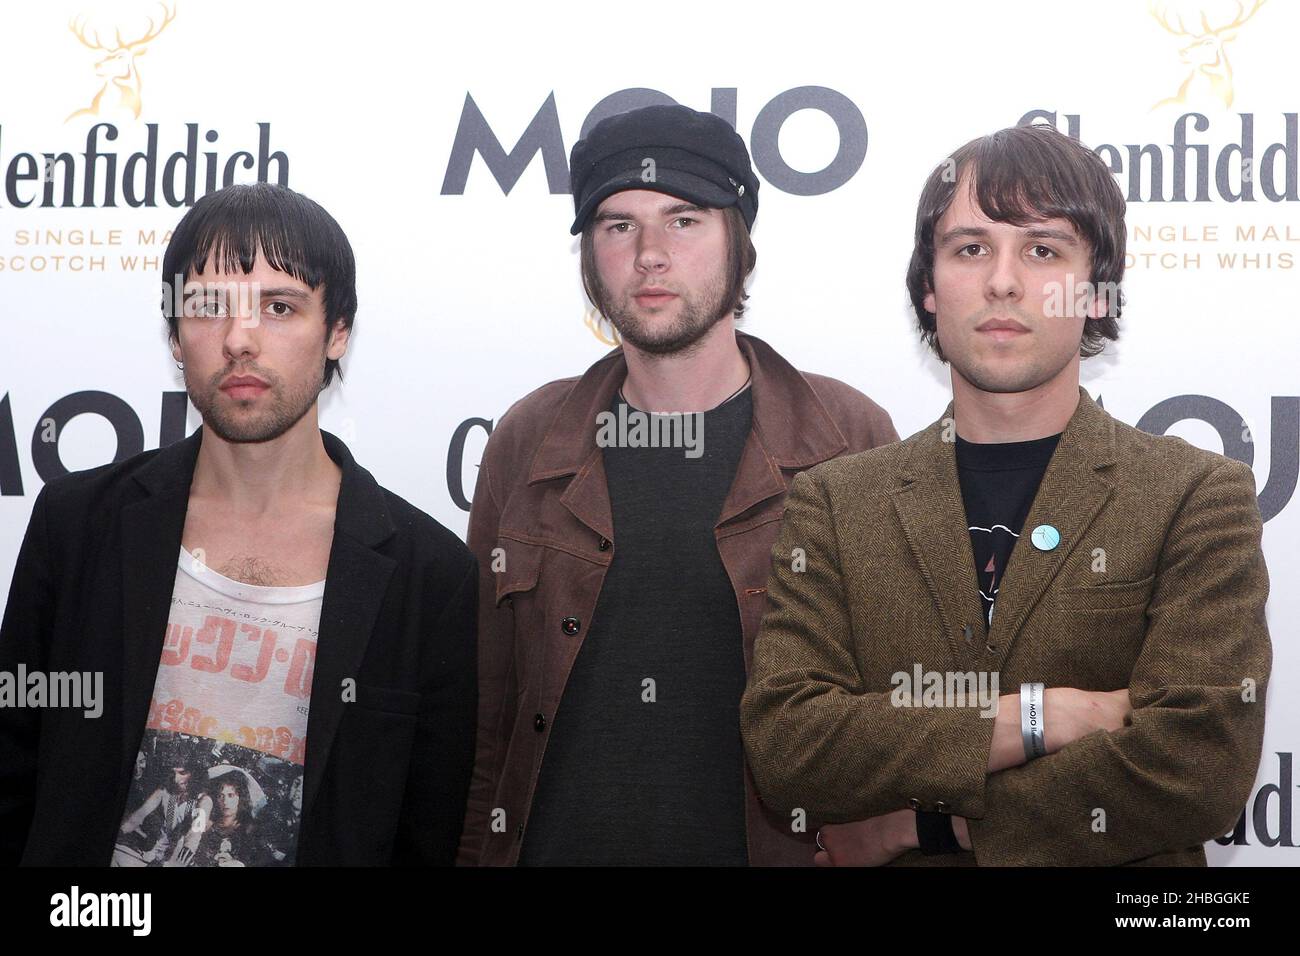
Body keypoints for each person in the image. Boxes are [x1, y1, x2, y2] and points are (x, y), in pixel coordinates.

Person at [740, 124, 1271, 866]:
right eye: (971, 248)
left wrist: (923, 825)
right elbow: (790, 747)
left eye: (1043, 250)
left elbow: (1198, 768)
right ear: (929, 288)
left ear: (1097, 291)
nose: (1003, 281)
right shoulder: (835, 502)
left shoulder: (1193, 495)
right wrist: (1038, 717)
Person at [457, 104, 898, 866]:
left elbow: (893, 716)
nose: (650, 255)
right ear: (590, 256)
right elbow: (482, 716)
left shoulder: (847, 439)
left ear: (740, 244)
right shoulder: (529, 440)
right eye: (618, 225)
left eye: (685, 220)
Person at [0, 182, 477, 865]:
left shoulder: (429, 576)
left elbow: (425, 833)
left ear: (337, 330)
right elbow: (12, 776)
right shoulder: (77, 527)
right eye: (207, 306)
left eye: (279, 307)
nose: (238, 339)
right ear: (174, 332)